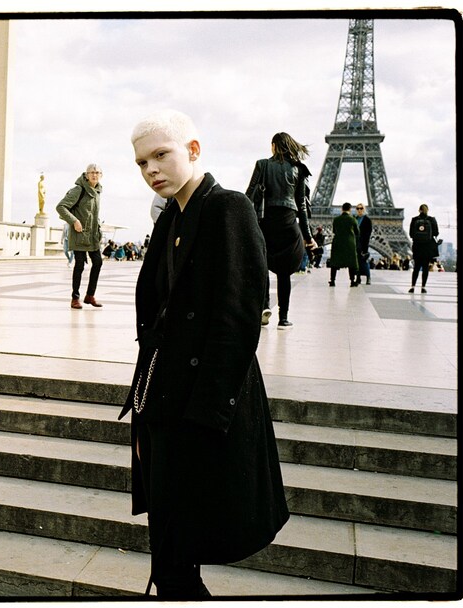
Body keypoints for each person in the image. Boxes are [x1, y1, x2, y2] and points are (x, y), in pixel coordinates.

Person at [123, 109, 289, 599]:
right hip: (164, 403)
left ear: (193, 151)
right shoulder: (172, 215)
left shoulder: (228, 208)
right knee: (172, 547)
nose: (150, 169)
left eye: (160, 155)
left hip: (200, 409)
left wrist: (208, 416)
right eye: (140, 163)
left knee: (178, 550)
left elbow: (237, 320)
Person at [246, 132, 315, 329]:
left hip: (266, 221)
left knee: (264, 267)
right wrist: (308, 237)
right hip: (288, 224)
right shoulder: (298, 168)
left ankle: (264, 306)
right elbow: (301, 205)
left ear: (274, 146)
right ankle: (283, 318)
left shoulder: (262, 165)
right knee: (284, 273)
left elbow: (249, 194)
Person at [56, 164, 105, 309]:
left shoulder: (97, 191)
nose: (94, 175)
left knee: (98, 263)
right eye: (92, 172)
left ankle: (90, 295)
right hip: (79, 235)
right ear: (86, 174)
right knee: (79, 265)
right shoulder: (79, 189)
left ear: (101, 175)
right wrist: (74, 221)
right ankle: (75, 298)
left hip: (92, 236)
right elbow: (61, 207)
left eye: (97, 172)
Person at [409, 203, 440, 293]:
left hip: (417, 246)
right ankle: (423, 287)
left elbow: (411, 234)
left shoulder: (414, 220)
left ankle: (413, 286)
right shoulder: (431, 220)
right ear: (427, 210)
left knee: (416, 267)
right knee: (425, 267)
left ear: (419, 210)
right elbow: (436, 233)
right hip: (427, 247)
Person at [328, 202, 360, 287]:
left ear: (342, 209)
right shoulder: (353, 219)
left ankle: (332, 280)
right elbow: (357, 232)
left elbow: (334, 231)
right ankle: (352, 281)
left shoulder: (336, 219)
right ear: (350, 209)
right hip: (349, 243)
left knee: (334, 262)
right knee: (351, 262)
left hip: (338, 242)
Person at [354, 203, 373, 285]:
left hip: (363, 244)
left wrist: (365, 247)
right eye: (357, 208)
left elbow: (368, 234)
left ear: (364, 209)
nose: (359, 210)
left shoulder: (367, 220)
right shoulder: (355, 219)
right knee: (356, 262)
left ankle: (368, 277)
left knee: (364, 261)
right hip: (355, 243)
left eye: (361, 208)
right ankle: (358, 278)